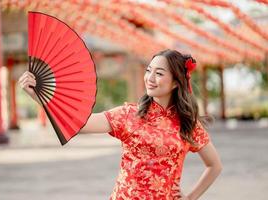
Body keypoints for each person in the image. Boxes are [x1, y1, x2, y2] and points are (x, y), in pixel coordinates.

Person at [18, 49, 222, 200]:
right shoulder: (128, 114)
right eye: (149, 70)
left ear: (176, 82)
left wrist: (189, 197)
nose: (150, 78)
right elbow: (81, 123)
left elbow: (214, 165)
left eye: (159, 74)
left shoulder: (187, 124)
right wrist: (40, 96)